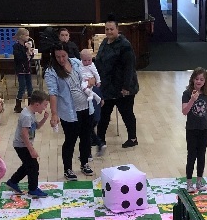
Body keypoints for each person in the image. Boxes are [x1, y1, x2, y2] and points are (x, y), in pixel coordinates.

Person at [46, 42, 95, 181]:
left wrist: (92, 80)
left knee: (86, 138)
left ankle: (84, 162)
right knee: (70, 140)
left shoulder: (75, 62)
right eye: (58, 57)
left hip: (86, 108)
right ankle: (68, 168)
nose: (61, 59)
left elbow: (89, 73)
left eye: (63, 56)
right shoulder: (51, 71)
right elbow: (53, 93)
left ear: (68, 54)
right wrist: (54, 113)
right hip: (69, 112)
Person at [95, 17, 139, 150]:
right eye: (106, 29)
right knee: (104, 114)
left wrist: (126, 87)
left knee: (126, 114)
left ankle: (132, 138)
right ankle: (100, 139)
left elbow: (129, 67)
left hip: (122, 88)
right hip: (107, 87)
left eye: (111, 29)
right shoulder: (104, 41)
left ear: (117, 29)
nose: (108, 31)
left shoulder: (124, 45)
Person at [5, 90, 50, 198]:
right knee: (33, 166)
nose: (45, 108)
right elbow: (24, 134)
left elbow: (37, 127)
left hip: (24, 144)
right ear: (37, 104)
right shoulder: (26, 116)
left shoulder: (31, 113)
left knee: (28, 165)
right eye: (44, 105)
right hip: (21, 145)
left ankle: (13, 181)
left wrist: (44, 118)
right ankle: (33, 189)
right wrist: (31, 149)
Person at [182, 67, 207, 194]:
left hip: (204, 129)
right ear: (192, 79)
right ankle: (189, 182)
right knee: (191, 155)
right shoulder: (187, 93)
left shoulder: (205, 94)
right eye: (196, 79)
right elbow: (184, 112)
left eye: (201, 79)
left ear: (205, 81)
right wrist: (192, 99)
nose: (199, 81)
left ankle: (199, 181)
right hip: (192, 129)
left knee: (201, 155)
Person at [13, 28, 34, 113]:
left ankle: (30, 105)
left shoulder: (27, 45)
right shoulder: (16, 46)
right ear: (21, 36)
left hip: (27, 69)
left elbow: (30, 57)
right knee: (22, 87)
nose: (28, 37)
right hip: (20, 70)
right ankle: (17, 106)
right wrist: (27, 52)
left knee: (30, 87)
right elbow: (20, 57)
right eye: (26, 35)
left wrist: (30, 50)